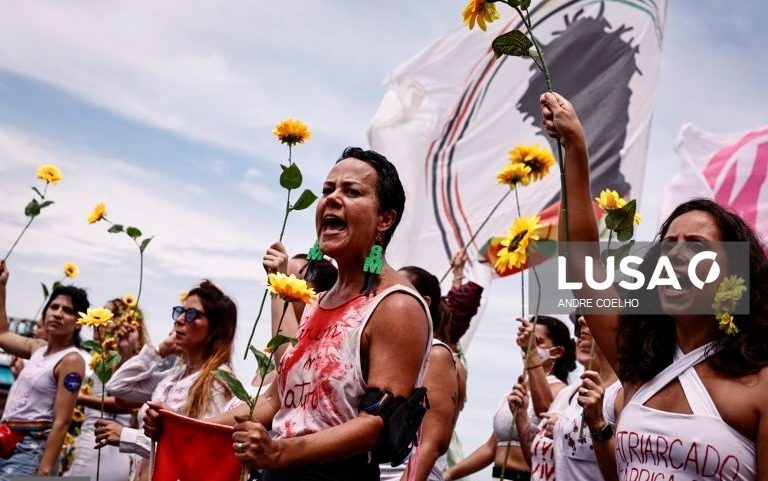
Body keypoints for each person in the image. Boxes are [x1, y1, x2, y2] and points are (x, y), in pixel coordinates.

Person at [544, 91, 768, 479]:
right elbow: (581, 261)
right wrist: (575, 149)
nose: (675, 256)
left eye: (695, 246)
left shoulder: (760, 382)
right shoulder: (638, 363)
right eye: (668, 245)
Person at [199, 147, 432, 480]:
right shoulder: (315, 302)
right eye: (327, 190)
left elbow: (377, 425)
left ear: (385, 219)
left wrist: (280, 452)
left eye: (351, 191)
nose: (332, 199)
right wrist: (186, 425)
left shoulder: (396, 305)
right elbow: (278, 401)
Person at [95, 280, 237, 481]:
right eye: (180, 311)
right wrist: (160, 350)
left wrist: (127, 437)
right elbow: (117, 387)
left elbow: (202, 448)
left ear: (216, 329)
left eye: (192, 314)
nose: (179, 320)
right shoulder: (176, 375)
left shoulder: (217, 380)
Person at [444, 316, 575, 481]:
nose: (528, 346)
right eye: (525, 340)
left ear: (557, 352)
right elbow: (492, 447)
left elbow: (544, 411)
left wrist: (532, 355)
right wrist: (449, 474)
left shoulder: (561, 391)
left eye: (536, 341)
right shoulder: (516, 390)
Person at [0, 260, 87, 478]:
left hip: (31, 451)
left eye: (68, 311)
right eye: (54, 307)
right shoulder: (37, 348)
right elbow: (1, 334)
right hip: (6, 440)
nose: (58, 314)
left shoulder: (71, 360)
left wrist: (45, 470)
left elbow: (62, 421)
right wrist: (1, 287)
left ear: (78, 322)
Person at [510, 315, 620, 481]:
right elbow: (538, 462)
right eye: (578, 322)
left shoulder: (623, 393)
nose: (581, 320)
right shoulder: (566, 395)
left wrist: (597, 426)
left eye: (592, 316)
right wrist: (521, 416)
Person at [379, 266, 459, 481]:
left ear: (424, 302)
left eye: (396, 290)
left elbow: (431, 443)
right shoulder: (379, 351)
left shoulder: (435, 353)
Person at [64, 298, 148, 480]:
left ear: (120, 324)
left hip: (104, 449)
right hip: (93, 444)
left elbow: (126, 405)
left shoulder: (126, 360)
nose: (96, 323)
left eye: (105, 316)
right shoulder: (100, 358)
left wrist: (78, 398)